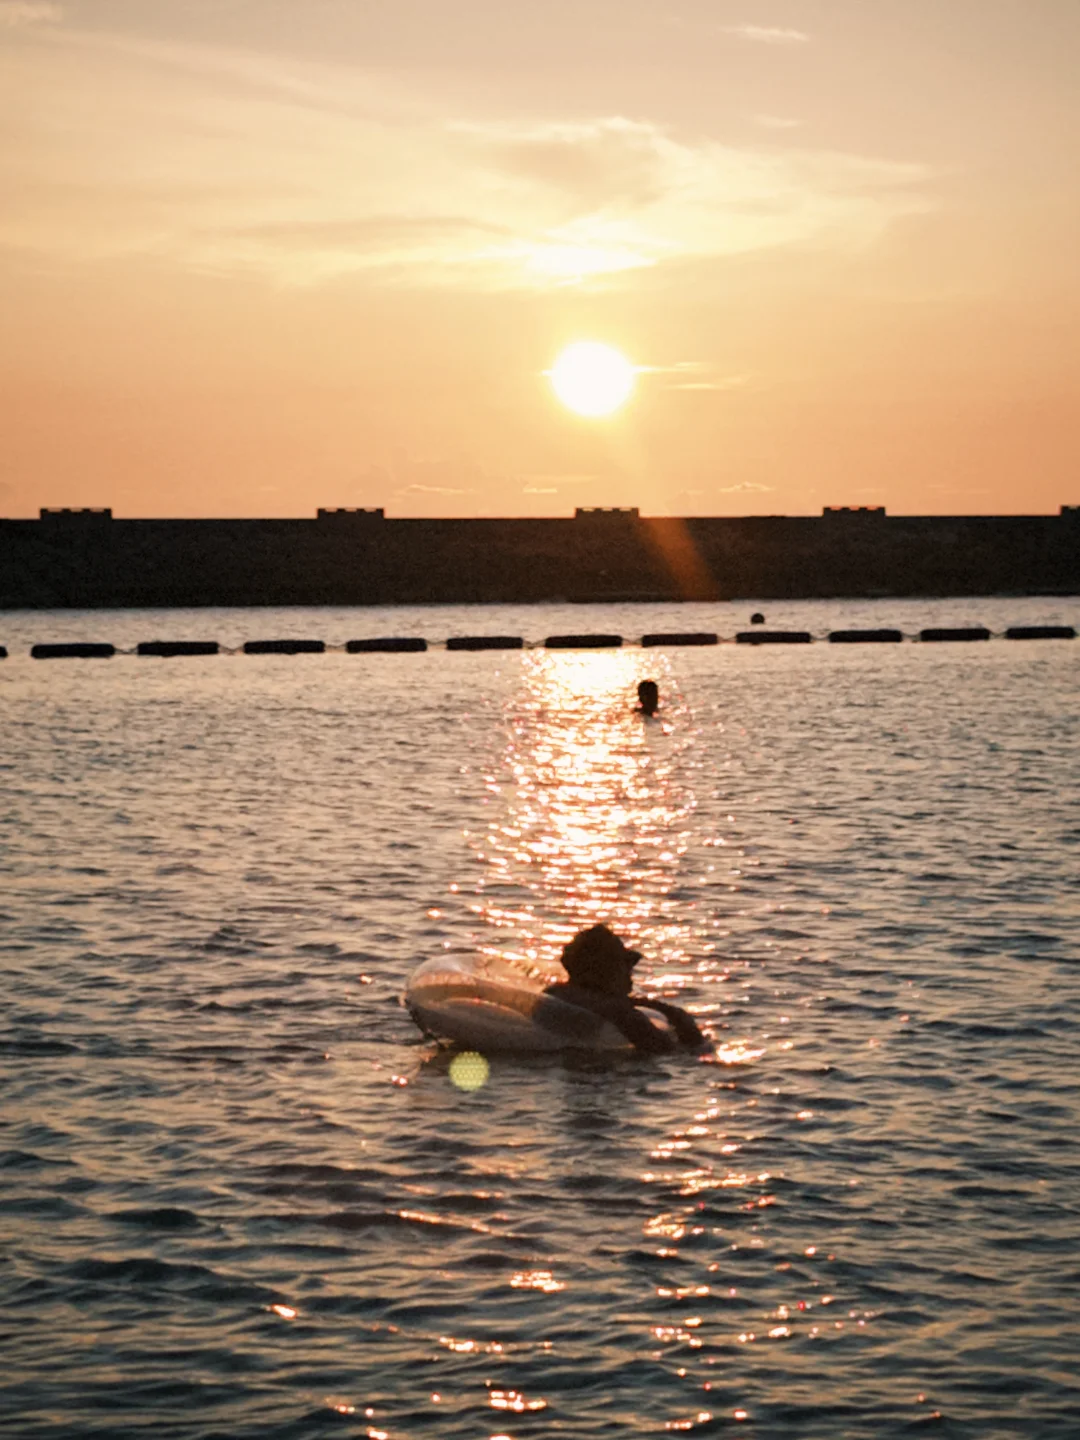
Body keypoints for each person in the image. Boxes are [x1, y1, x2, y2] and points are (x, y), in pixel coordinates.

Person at [544, 924, 705, 1054]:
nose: (630, 974)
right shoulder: (619, 1012)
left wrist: (670, 1012)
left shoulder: (554, 994)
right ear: (605, 971)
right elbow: (663, 1048)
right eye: (626, 965)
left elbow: (623, 1001)